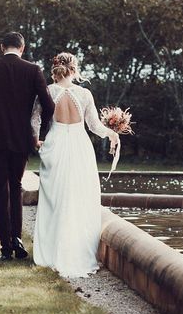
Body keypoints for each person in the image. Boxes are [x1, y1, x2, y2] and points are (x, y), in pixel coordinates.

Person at [0, 32, 55, 261]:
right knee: (16, 188)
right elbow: (49, 105)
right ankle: (18, 239)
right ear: (22, 48)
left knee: (0, 191)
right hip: (21, 140)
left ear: (1, 46)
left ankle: (6, 247)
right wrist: (40, 133)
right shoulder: (33, 70)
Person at [31, 52, 120, 277]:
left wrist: (35, 139)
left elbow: (35, 119)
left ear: (56, 68)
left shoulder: (48, 91)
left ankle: (51, 252)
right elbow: (94, 126)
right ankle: (77, 251)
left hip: (56, 144)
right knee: (79, 198)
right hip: (80, 147)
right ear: (74, 69)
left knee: (55, 199)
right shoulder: (84, 94)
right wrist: (111, 133)